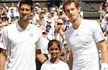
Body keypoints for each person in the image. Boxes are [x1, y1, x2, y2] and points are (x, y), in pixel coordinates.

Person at [0, 0, 47, 70]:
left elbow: (38, 53)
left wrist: (51, 64)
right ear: (18, 10)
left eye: (27, 10)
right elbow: (2, 54)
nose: (24, 12)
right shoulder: (7, 30)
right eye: (22, 9)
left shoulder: (37, 31)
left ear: (31, 12)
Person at [63, 0, 108, 70]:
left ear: (78, 9)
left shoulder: (92, 25)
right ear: (65, 13)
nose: (70, 12)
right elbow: (71, 54)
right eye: (67, 11)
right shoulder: (67, 33)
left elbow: (103, 46)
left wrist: (105, 65)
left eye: (72, 9)